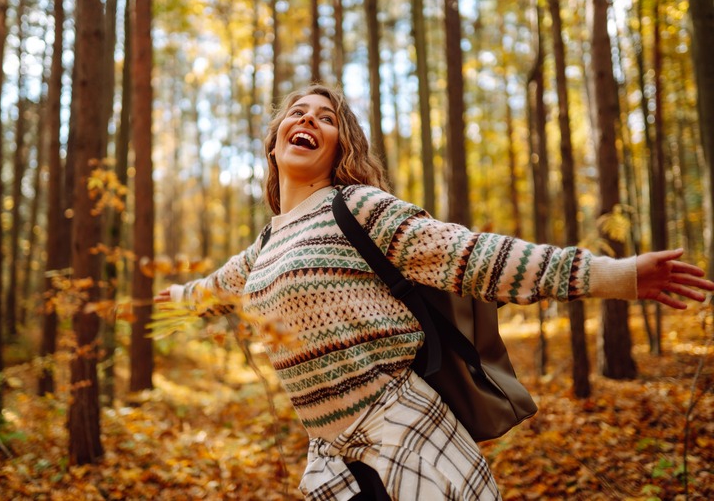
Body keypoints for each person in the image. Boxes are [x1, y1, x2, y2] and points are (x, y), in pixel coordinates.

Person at [155, 84, 713, 500]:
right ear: (275, 144)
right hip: (329, 456)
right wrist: (173, 303)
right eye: (297, 113)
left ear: (339, 147)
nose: (308, 120)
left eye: (326, 118)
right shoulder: (264, 244)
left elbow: (475, 258)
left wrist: (616, 276)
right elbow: (218, 287)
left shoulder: (358, 207)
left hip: (404, 428)